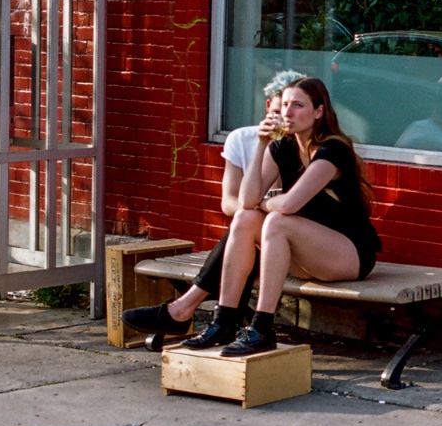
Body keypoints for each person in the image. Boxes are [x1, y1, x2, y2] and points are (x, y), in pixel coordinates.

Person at [120, 70, 304, 347]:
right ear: (268, 108)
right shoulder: (242, 139)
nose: (284, 120)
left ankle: (188, 310)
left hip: (288, 244)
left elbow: (293, 208)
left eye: (292, 111)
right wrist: (257, 202)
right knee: (244, 222)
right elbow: (230, 202)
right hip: (252, 235)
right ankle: (213, 320)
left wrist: (261, 199)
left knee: (248, 226)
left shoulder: (303, 145)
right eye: (278, 111)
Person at [211, 77, 383, 357]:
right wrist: (261, 144)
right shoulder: (281, 148)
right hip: (309, 254)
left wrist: (266, 204)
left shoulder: (333, 150)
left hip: (349, 254)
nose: (288, 113)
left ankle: (263, 326)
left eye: (298, 105)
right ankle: (224, 320)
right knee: (244, 219)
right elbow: (246, 201)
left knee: (277, 221)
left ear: (318, 112)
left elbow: (290, 204)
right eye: (286, 105)